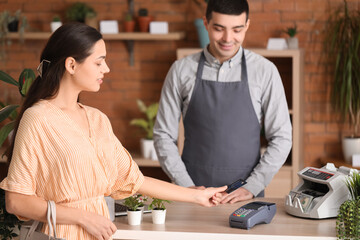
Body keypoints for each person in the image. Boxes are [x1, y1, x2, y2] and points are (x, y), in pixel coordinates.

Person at [0, 23, 226, 240]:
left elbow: (135, 180)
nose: (106, 69)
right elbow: (17, 201)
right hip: (61, 235)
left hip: (99, 233)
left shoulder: (97, 119)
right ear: (71, 65)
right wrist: (83, 218)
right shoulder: (38, 118)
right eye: (99, 62)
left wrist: (196, 195)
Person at [153, 0, 292, 204]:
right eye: (219, 29)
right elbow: (163, 135)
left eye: (237, 30)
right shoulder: (181, 70)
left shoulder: (265, 71)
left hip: (245, 195)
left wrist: (252, 186)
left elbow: (282, 137)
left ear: (247, 26)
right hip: (191, 194)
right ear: (206, 24)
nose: (228, 38)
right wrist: (187, 187)